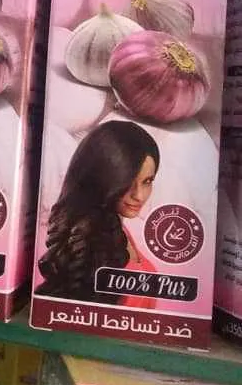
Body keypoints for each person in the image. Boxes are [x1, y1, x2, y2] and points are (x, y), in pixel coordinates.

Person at [36, 120, 159, 304]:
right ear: (103, 177)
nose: (139, 195)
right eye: (128, 182)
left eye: (147, 181)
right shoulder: (89, 242)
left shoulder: (119, 230)